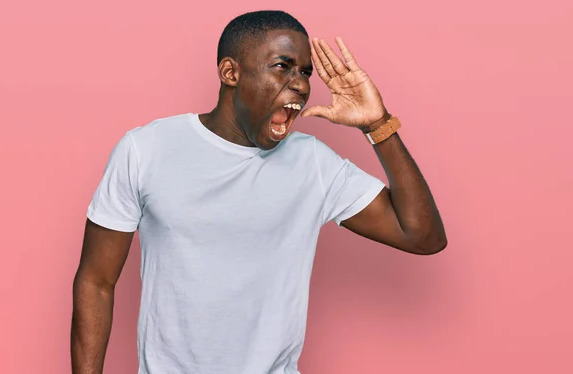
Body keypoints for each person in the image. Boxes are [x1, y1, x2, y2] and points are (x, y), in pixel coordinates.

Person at [71, 10, 447, 374]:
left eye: (305, 72)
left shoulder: (312, 164)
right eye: (283, 66)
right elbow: (96, 281)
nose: (300, 84)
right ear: (230, 72)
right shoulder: (146, 149)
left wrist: (377, 125)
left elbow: (421, 236)